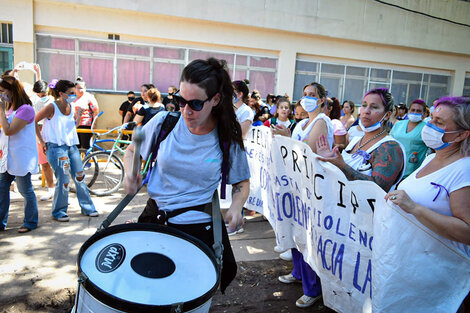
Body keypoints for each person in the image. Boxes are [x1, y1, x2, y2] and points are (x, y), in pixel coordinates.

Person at [123, 58, 250, 294]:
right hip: (155, 219)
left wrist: (236, 206)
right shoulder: (164, 123)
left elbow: (241, 182)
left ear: (215, 99)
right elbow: (132, 151)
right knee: (144, 290)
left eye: (195, 104)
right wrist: (130, 174)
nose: (185, 110)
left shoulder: (227, 137)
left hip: (198, 229)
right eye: (180, 100)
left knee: (185, 294)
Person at [385, 96, 469, 308]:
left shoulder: (464, 169)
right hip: (410, 268)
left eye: (439, 122)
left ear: (461, 134)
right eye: (431, 118)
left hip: (438, 276)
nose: (429, 125)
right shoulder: (432, 157)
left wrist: (415, 208)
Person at [275, 82, 334, 308]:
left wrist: (287, 139)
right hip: (296, 184)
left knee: (308, 236)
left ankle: (313, 288)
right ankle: (298, 273)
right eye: (305, 94)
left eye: (312, 95)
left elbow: (307, 151)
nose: (307, 98)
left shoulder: (322, 121)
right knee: (296, 230)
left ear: (321, 100)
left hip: (313, 186)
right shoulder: (301, 122)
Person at [317, 87, 405, 193]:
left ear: (387, 115)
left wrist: (342, 166)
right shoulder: (355, 141)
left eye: (374, 107)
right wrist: (330, 159)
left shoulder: (390, 147)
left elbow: (378, 189)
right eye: (364, 105)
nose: (366, 111)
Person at [35, 80, 99, 222]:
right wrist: (41, 141)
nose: (73, 95)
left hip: (71, 146)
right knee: (63, 180)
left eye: (74, 92)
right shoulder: (51, 107)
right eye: (70, 93)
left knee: (80, 177)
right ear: (61, 93)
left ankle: (88, 207)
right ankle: (59, 211)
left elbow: (69, 128)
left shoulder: (71, 106)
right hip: (56, 147)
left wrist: (77, 118)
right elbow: (34, 120)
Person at [0, 76, 39, 233]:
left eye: (2, 91)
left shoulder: (26, 110)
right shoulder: (9, 108)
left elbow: (9, 130)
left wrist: (1, 111)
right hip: (7, 158)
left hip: (21, 158)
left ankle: (30, 222)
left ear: (12, 91)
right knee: (2, 189)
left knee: (25, 190)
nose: (1, 94)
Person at [390, 99, 428, 179]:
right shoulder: (399, 124)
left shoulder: (426, 129)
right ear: (408, 111)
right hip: (392, 168)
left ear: (424, 114)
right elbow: (389, 141)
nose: (415, 112)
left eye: (418, 111)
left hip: (411, 172)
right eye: (413, 110)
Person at [31, 80, 55, 201]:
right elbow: (34, 121)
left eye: (43, 94)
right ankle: (51, 190)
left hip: (51, 136)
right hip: (39, 137)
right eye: (39, 94)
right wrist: (40, 140)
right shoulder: (35, 101)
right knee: (44, 165)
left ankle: (61, 191)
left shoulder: (52, 102)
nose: (41, 96)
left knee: (57, 165)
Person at [72, 77, 99, 150]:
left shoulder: (89, 97)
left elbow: (95, 111)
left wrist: (94, 125)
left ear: (85, 88)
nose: (80, 90)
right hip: (74, 126)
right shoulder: (72, 98)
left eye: (81, 88)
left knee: (85, 147)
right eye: (78, 88)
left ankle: (88, 161)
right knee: (75, 147)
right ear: (74, 88)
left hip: (85, 125)